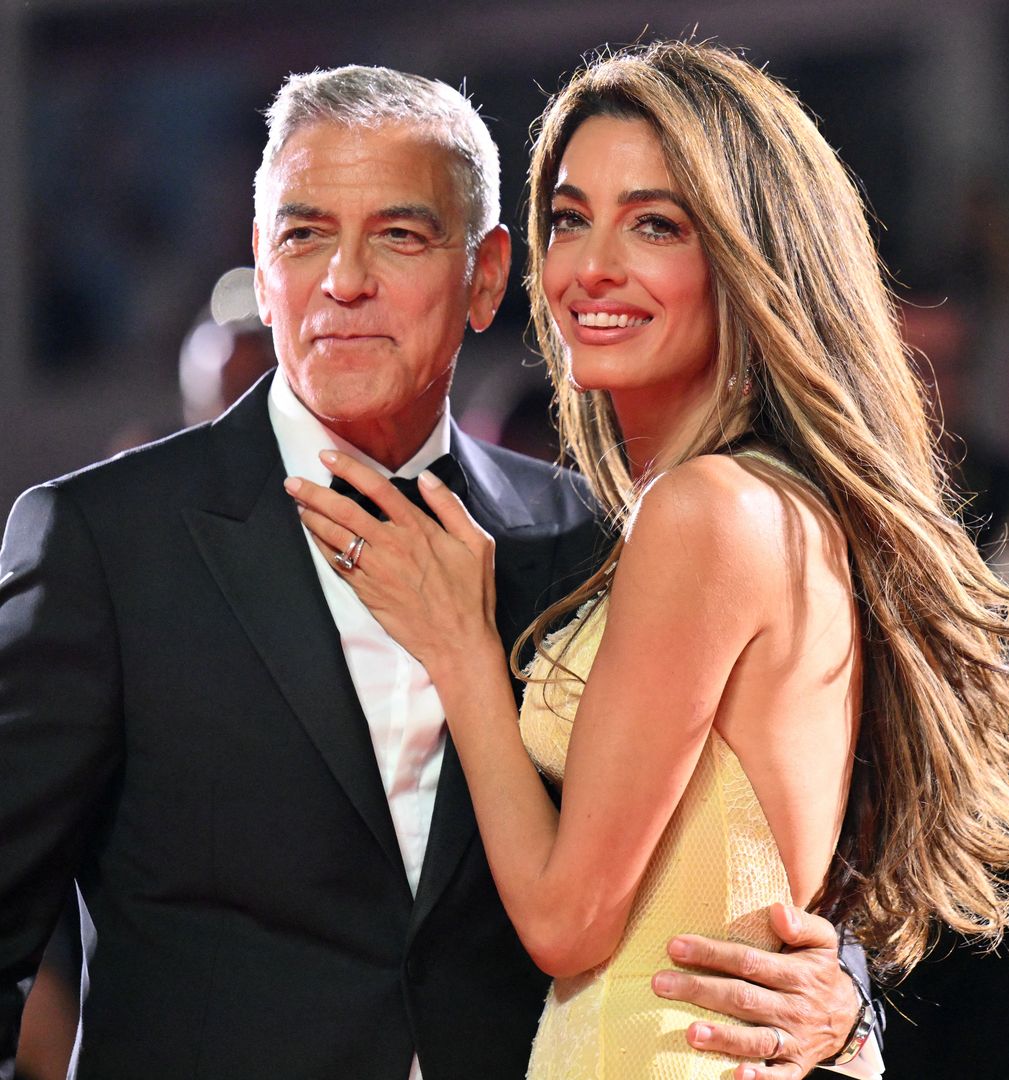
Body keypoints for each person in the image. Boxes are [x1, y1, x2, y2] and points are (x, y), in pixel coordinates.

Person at [0, 63, 875, 1080]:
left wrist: (841, 1001)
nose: (344, 280)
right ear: (260, 258)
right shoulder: (104, 543)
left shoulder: (591, 542)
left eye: (401, 236)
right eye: (304, 234)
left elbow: (742, 840)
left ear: (489, 276)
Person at [286, 42, 1009, 1079]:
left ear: (747, 254)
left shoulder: (707, 510)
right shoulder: (753, 507)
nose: (591, 267)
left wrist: (463, 651)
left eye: (655, 223)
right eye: (570, 218)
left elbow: (570, 922)